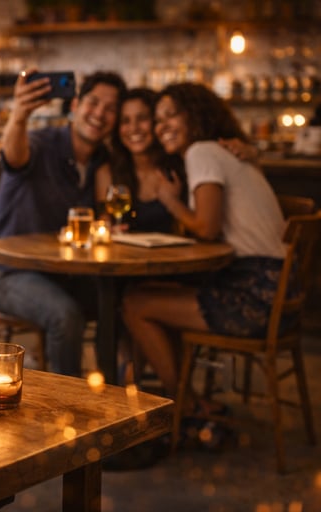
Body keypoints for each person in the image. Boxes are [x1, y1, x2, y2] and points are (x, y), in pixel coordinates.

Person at [121, 82, 288, 414]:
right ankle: (164, 396)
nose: (161, 125)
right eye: (159, 119)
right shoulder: (226, 150)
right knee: (151, 291)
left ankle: (182, 405)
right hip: (279, 291)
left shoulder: (202, 152)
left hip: (255, 294)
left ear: (195, 115)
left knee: (135, 303)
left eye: (171, 115)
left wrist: (169, 201)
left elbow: (207, 228)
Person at [0, 69, 127, 376]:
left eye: (110, 108)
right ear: (74, 105)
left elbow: (107, 213)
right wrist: (19, 115)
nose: (100, 113)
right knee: (65, 316)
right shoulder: (42, 142)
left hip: (65, 274)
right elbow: (14, 156)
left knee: (120, 302)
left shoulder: (101, 160)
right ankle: (66, 409)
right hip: (10, 274)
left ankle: (113, 393)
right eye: (93, 103)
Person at [95, 87, 186, 234]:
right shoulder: (107, 173)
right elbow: (104, 223)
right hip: (125, 256)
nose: (134, 128)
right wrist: (109, 230)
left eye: (142, 118)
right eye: (125, 121)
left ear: (157, 121)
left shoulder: (179, 167)